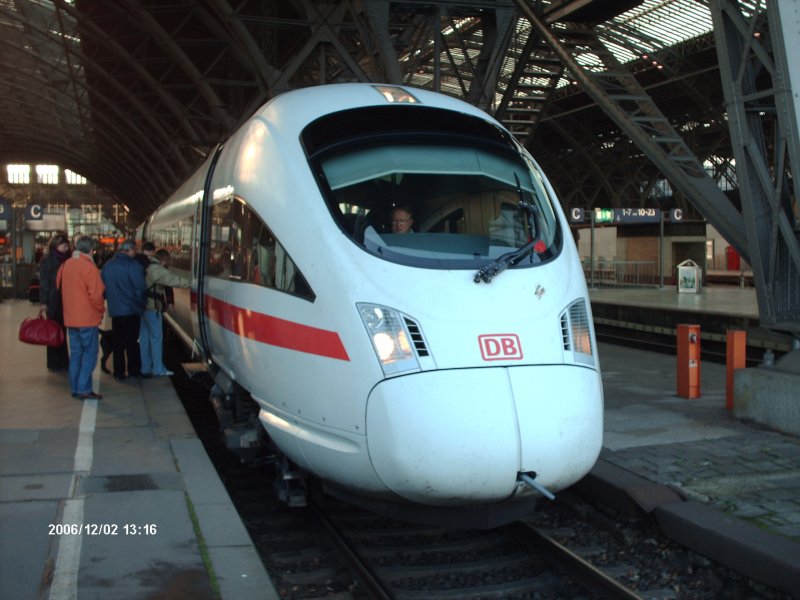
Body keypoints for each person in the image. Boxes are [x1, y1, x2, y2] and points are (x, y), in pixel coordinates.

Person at [56, 236, 106, 400]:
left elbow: (58, 286)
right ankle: (84, 388)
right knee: (90, 353)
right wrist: (100, 310)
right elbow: (97, 295)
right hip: (87, 318)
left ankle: (75, 387)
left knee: (76, 353)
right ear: (91, 250)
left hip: (70, 318)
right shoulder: (89, 267)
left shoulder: (65, 265)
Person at [101, 239, 147, 380]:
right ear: (129, 250)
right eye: (135, 250)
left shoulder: (108, 265)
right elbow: (140, 288)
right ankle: (134, 370)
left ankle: (119, 372)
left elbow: (103, 289)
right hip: (131, 310)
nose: (136, 252)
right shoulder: (133, 265)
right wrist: (140, 305)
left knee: (118, 342)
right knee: (132, 341)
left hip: (116, 311)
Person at [140, 248, 190, 377]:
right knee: (156, 338)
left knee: (145, 339)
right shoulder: (158, 270)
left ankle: (145, 368)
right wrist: (193, 283)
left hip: (143, 307)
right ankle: (158, 369)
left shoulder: (148, 266)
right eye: (167, 261)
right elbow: (174, 280)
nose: (167, 264)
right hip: (153, 308)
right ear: (163, 259)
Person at [38, 233, 71, 372]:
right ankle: (53, 362)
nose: (66, 247)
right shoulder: (48, 260)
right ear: (56, 246)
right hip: (53, 300)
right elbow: (44, 283)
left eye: (66, 245)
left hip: (66, 300)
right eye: (63, 245)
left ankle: (63, 360)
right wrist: (44, 302)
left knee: (62, 331)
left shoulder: (68, 259)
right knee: (53, 331)